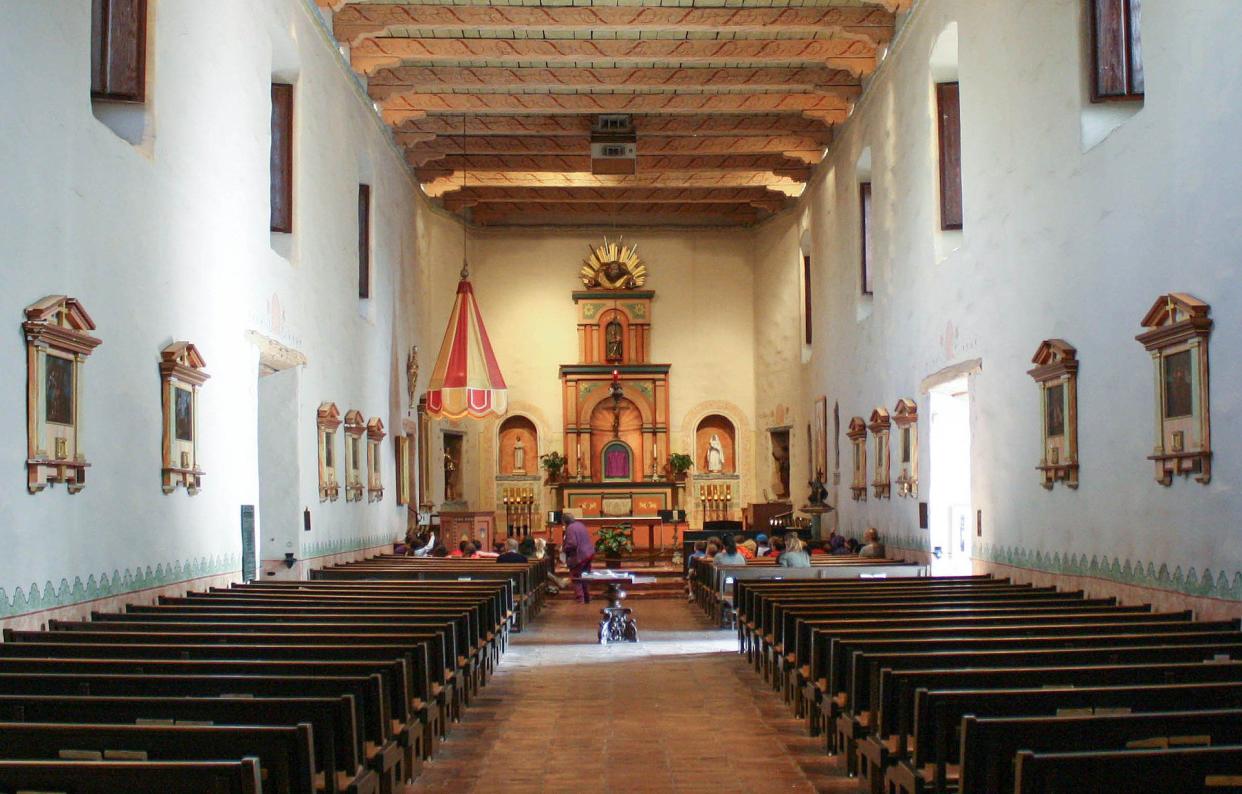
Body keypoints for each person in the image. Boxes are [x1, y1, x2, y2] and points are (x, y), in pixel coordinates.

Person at [562, 512, 595, 604]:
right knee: (585, 576)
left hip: (579, 556)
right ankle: (587, 597)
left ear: (565, 522)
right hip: (588, 554)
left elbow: (572, 543)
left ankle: (580, 600)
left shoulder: (570, 528)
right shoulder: (580, 524)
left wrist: (564, 548)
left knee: (576, 577)